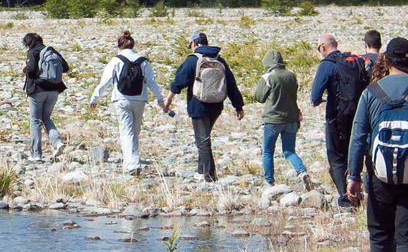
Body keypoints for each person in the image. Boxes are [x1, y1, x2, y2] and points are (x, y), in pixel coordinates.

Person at [346, 37, 408, 252]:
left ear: (386, 60)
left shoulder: (371, 93)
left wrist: (353, 175)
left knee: (380, 234)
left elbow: (358, 138)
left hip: (378, 175)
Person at [163, 31, 244, 182]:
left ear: (194, 43)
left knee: (203, 140)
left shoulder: (193, 59)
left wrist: (168, 100)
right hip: (216, 105)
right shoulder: (219, 59)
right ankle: (201, 171)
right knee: (204, 138)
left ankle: (209, 175)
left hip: (198, 105)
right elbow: (231, 84)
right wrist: (238, 106)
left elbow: (179, 82)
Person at [88, 30, 165, 175]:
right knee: (135, 131)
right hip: (139, 99)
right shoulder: (143, 61)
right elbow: (151, 82)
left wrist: (95, 98)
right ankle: (132, 158)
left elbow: (105, 81)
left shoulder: (116, 60)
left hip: (121, 99)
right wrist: (160, 99)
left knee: (126, 131)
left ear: (119, 46)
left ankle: (131, 164)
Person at [312, 33, 368, 208]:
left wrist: (323, 100)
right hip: (358, 116)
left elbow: (315, 97)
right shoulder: (354, 60)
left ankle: (347, 198)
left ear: (323, 47)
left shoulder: (327, 65)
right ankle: (357, 189)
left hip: (336, 118)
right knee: (355, 153)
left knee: (336, 158)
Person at [253, 49, 311, 190]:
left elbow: (259, 97)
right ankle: (301, 171)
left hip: (273, 120)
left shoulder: (268, 77)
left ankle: (269, 181)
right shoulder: (292, 75)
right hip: (291, 118)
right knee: (289, 151)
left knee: (268, 151)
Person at [23, 33, 68, 160]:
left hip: (37, 90)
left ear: (28, 43)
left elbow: (31, 70)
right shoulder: (50, 50)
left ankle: (36, 154)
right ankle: (57, 142)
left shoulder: (33, 52)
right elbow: (65, 67)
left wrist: (24, 69)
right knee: (46, 118)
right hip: (54, 90)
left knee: (35, 120)